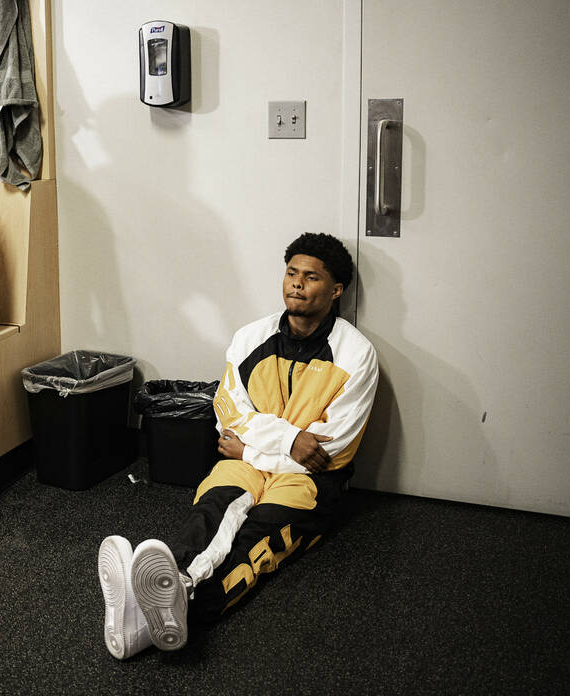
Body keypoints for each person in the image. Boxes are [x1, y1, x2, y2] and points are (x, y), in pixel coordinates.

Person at [97, 232, 378, 659]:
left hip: (313, 482)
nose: (297, 284)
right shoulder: (250, 338)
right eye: (291, 273)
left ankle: (169, 608)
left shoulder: (356, 355)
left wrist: (252, 448)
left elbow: (330, 450)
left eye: (312, 277)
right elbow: (230, 418)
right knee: (211, 511)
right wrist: (287, 439)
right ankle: (166, 587)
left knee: (255, 538)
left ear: (335, 291)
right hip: (249, 462)